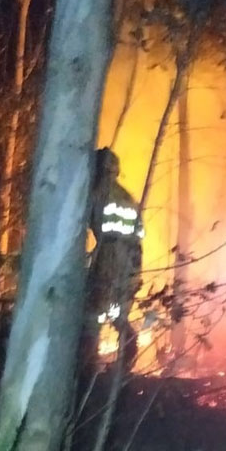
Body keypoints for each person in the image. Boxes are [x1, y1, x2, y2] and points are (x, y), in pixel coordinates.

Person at [85, 147, 144, 374]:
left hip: (109, 260)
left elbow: (86, 223)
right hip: (131, 262)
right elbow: (137, 237)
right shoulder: (127, 197)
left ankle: (87, 368)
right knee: (118, 313)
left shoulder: (99, 192)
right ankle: (125, 364)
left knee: (93, 314)